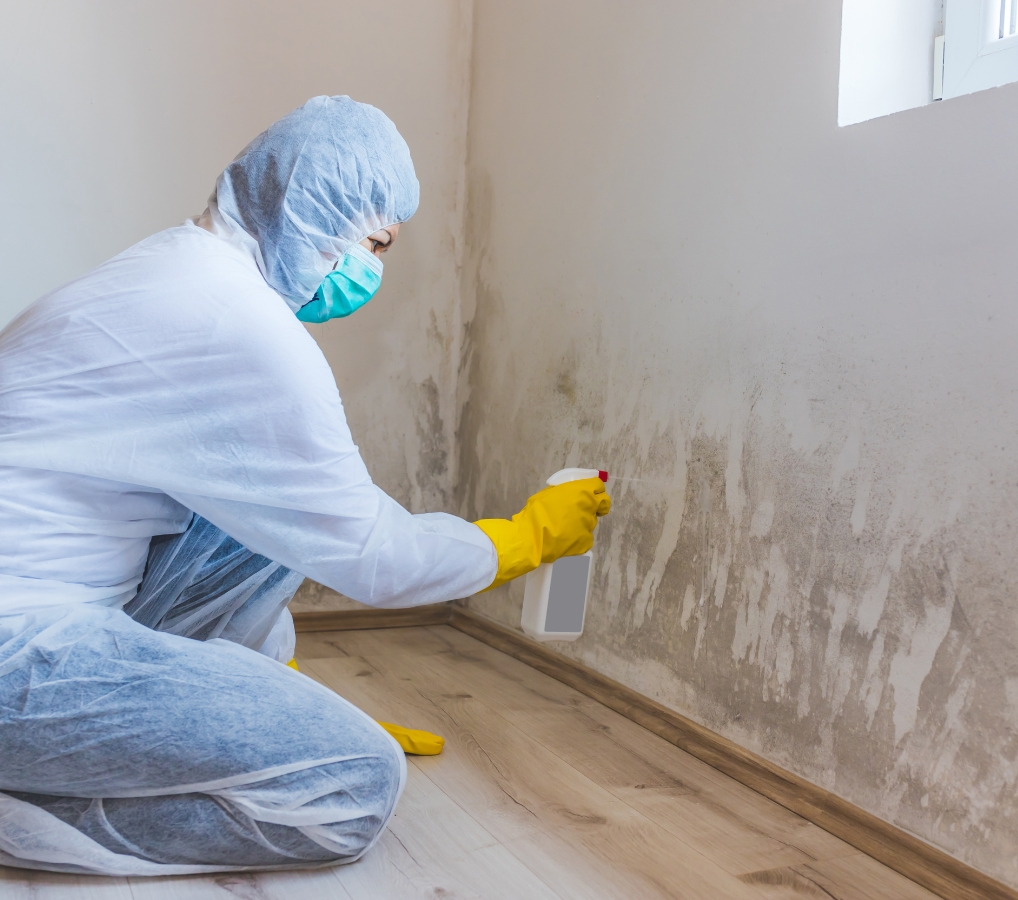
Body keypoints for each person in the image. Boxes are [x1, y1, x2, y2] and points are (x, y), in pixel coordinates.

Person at [0, 96, 609, 876]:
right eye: (375, 243)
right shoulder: (242, 327)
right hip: (23, 653)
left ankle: (222, 721)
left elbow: (288, 531)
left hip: (46, 611)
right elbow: (372, 555)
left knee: (256, 516)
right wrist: (522, 540)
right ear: (311, 208)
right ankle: (30, 810)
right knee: (352, 782)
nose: (373, 270)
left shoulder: (171, 269)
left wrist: (277, 697)